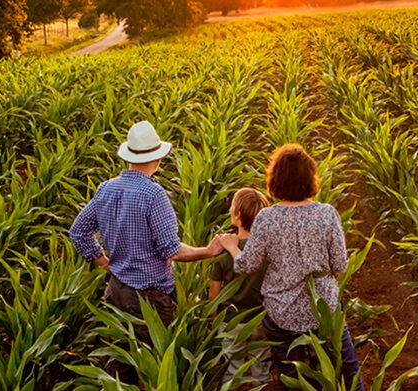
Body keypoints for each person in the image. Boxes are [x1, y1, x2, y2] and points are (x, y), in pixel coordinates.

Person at [217, 144, 364, 391]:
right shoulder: (327, 214)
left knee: (291, 377)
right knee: (345, 368)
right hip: (323, 311)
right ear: (310, 177)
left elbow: (248, 265)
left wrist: (232, 248)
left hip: (281, 314)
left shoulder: (266, 218)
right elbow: (339, 265)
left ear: (275, 180)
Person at [69, 120, 223, 345]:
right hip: (149, 298)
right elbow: (172, 250)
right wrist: (208, 251)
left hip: (116, 290)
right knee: (156, 363)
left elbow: (78, 232)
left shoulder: (106, 188)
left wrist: (104, 262)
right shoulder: (153, 195)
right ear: (157, 158)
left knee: (119, 363)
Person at [208, 188, 273, 384]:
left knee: (232, 369)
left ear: (236, 216)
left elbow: (214, 293)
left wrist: (214, 320)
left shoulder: (223, 251)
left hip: (231, 321)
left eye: (231, 207)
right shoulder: (267, 249)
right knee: (261, 365)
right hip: (261, 319)